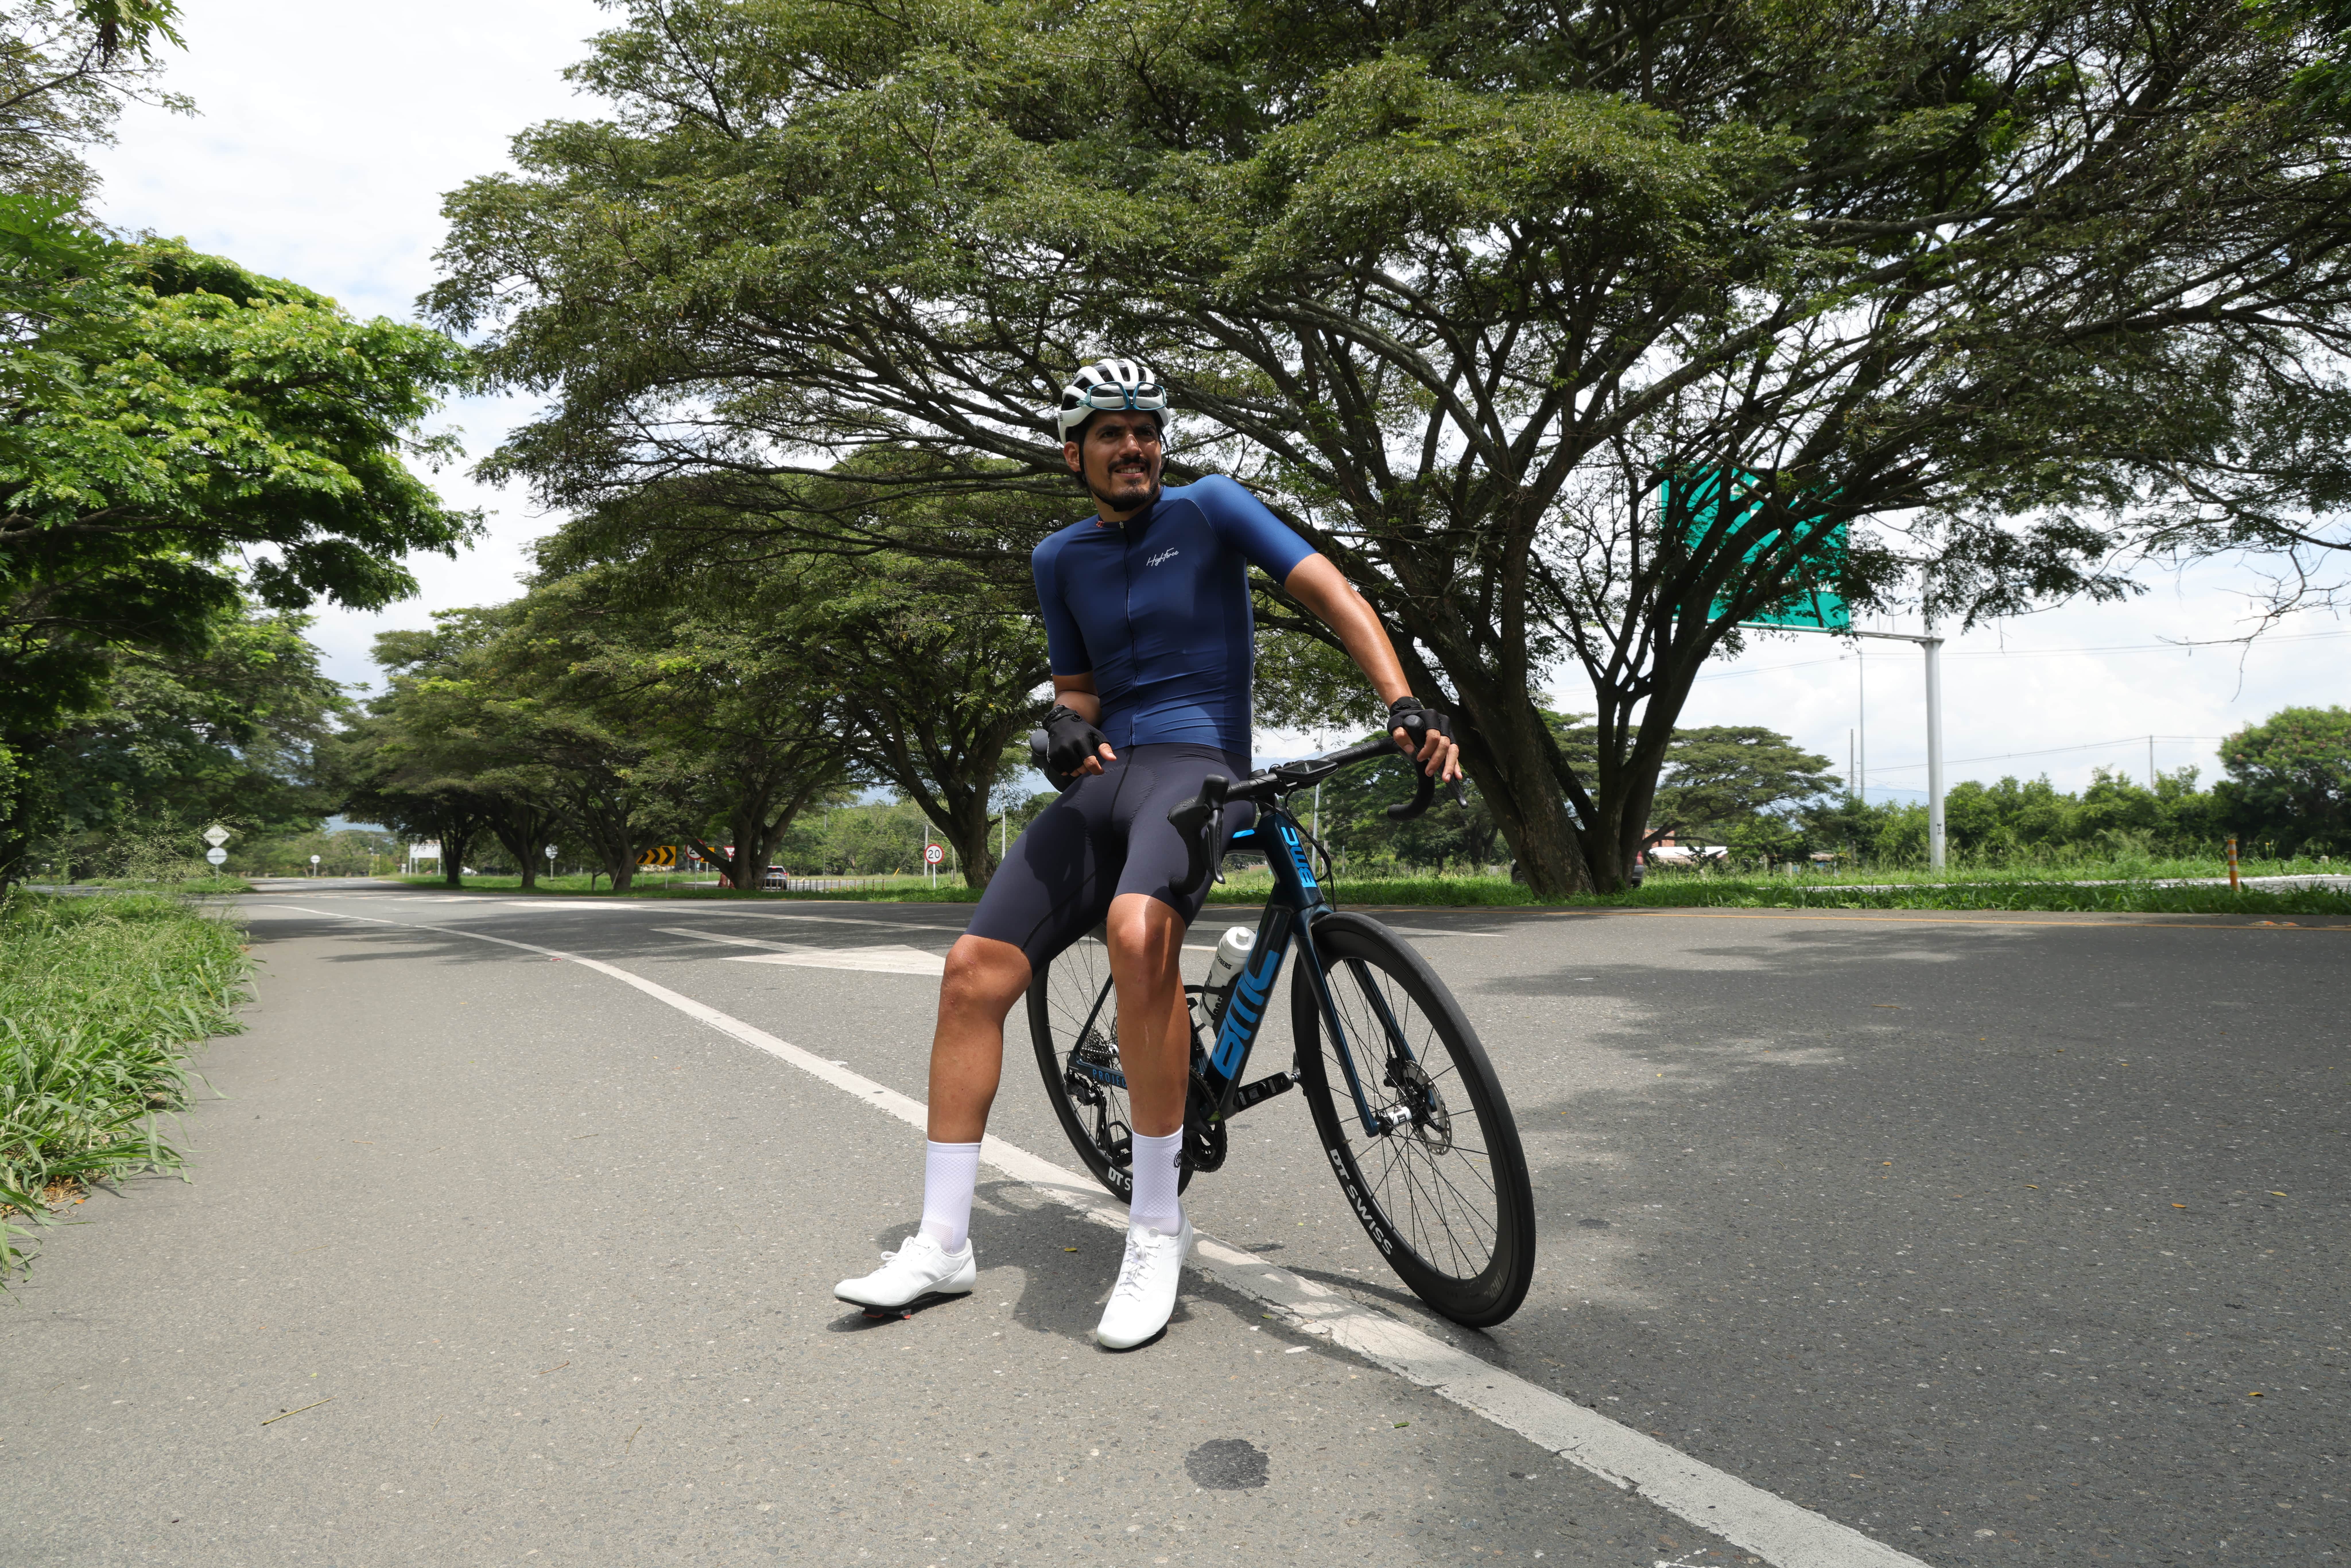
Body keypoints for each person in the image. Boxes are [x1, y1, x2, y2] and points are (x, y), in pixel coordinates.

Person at [835, 357, 1461, 1348]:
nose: (1134, 446)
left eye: (1147, 429)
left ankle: (1157, 1226)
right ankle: (944, 1242)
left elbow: (1334, 592)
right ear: (1073, 451)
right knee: (971, 972)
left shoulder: (1212, 509)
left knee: (1137, 929)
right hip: (1107, 780)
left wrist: (1402, 702)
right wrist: (1058, 729)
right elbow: (1076, 694)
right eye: (1111, 432)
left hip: (1197, 766)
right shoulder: (1058, 559)